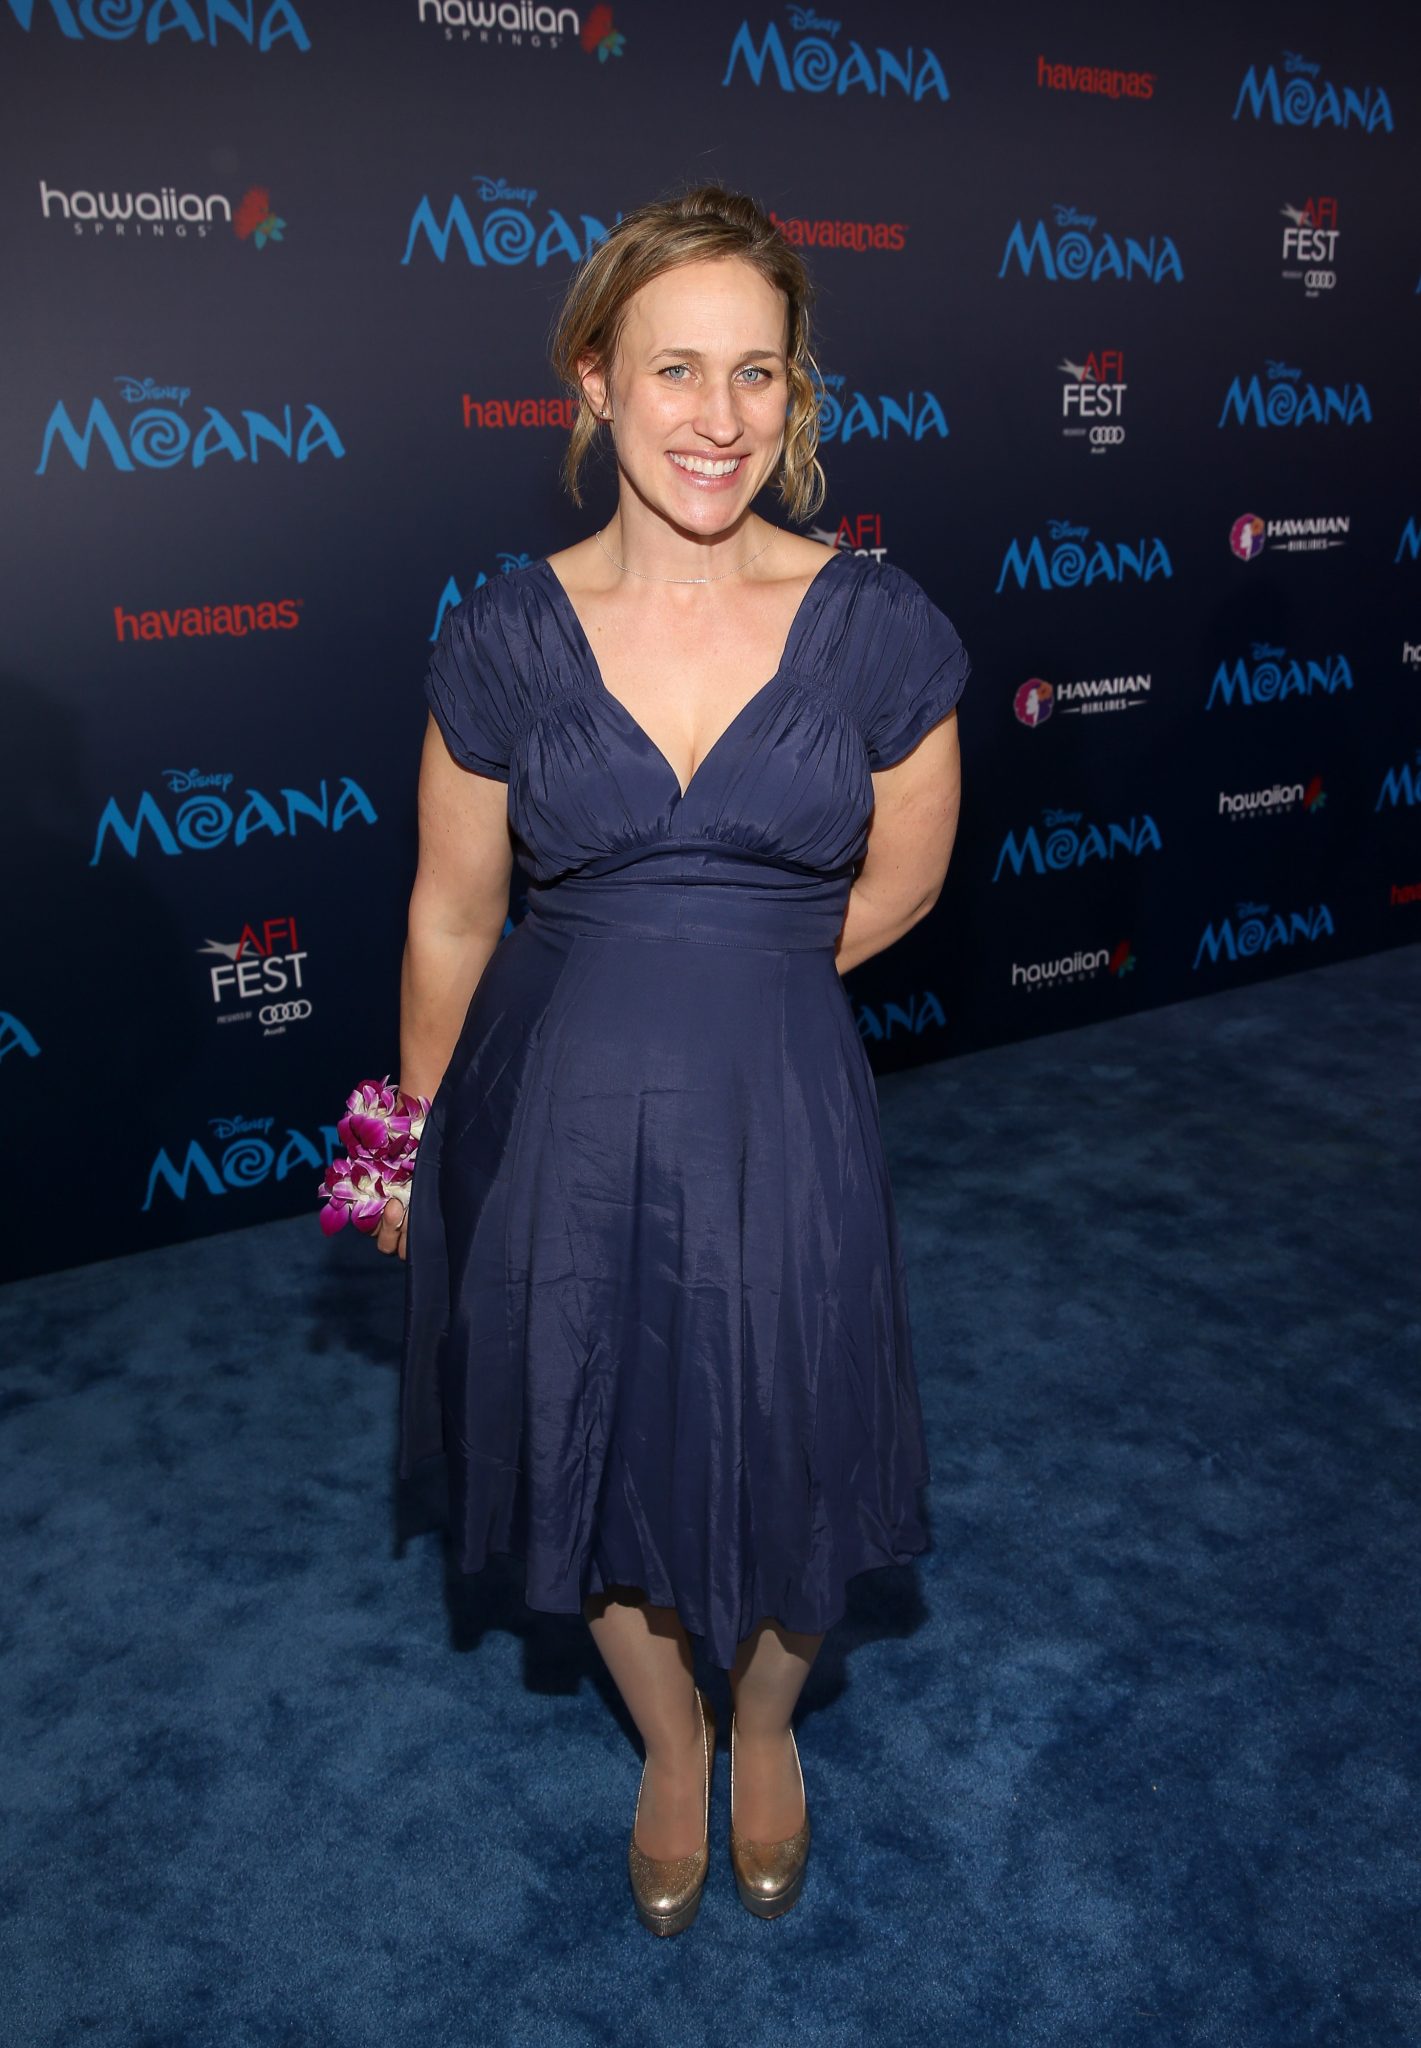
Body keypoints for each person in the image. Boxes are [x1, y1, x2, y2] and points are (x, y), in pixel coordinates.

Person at [378, 185, 967, 1937]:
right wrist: (392, 1152)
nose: (717, 416)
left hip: (781, 1109)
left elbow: (904, 878)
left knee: (798, 1430)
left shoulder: (876, 626)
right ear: (592, 379)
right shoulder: (502, 634)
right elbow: (447, 918)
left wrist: (729, 979)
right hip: (548, 1115)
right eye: (674, 369)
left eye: (756, 372)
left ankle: (764, 1729)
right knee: (587, 1429)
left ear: (795, 392)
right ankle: (669, 1737)